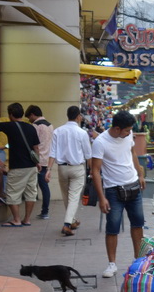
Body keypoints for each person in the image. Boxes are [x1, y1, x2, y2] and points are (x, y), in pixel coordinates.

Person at [91, 110, 145, 278]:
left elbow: (132, 153)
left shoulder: (127, 136)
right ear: (116, 128)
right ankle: (112, 264)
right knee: (112, 227)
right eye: (127, 130)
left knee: (138, 224)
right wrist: (102, 198)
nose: (130, 133)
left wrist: (140, 173)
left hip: (133, 186)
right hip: (114, 190)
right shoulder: (100, 142)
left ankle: (138, 260)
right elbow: (95, 170)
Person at [46, 106, 92, 237]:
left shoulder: (58, 131)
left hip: (62, 168)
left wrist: (48, 169)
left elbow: (53, 152)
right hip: (77, 168)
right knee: (73, 197)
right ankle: (67, 224)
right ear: (78, 116)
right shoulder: (82, 133)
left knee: (67, 196)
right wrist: (93, 171)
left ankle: (71, 221)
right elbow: (88, 155)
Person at [25, 105, 54, 219]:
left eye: (29, 116)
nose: (28, 119)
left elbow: (33, 144)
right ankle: (45, 211)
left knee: (33, 186)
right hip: (47, 159)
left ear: (32, 114)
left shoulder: (35, 126)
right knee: (44, 187)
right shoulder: (50, 125)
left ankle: (44, 212)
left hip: (37, 160)